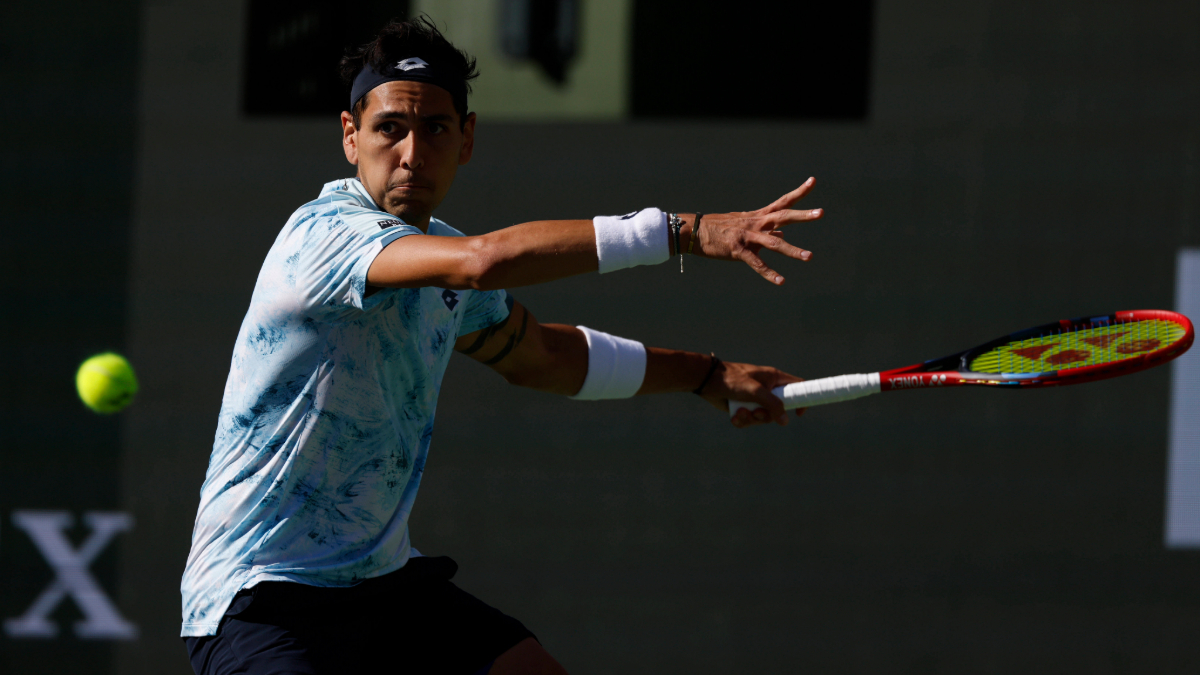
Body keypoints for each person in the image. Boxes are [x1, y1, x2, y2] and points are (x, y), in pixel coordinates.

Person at [181, 16, 823, 675]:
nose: (411, 153)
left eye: (434, 128)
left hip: (383, 588)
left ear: (466, 140)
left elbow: (540, 355)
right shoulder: (323, 236)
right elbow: (484, 261)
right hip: (261, 597)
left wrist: (704, 374)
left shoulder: (443, 266)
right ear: (351, 137)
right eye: (389, 129)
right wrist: (684, 232)